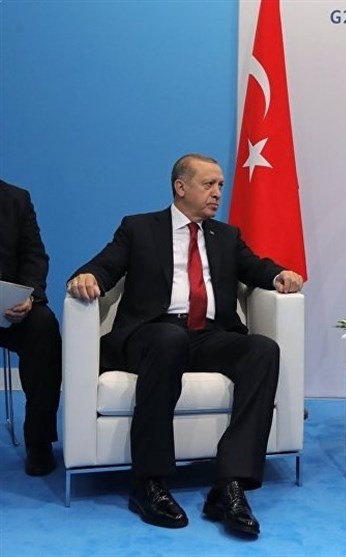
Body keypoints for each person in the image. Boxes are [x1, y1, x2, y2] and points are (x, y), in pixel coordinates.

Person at [67, 154, 303, 537]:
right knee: (169, 339)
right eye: (209, 184)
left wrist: (279, 275)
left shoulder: (226, 236)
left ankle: (230, 485)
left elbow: (255, 267)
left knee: (262, 350)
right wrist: (87, 277)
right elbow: (105, 265)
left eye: (221, 185)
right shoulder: (139, 228)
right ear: (181, 187)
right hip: (151, 333)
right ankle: (149, 481)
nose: (217, 193)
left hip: (207, 335)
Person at [0, 180, 62, 477]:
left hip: (7, 309)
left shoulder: (17, 199)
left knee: (43, 324)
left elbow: (34, 256)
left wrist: (30, 296)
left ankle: (39, 443)